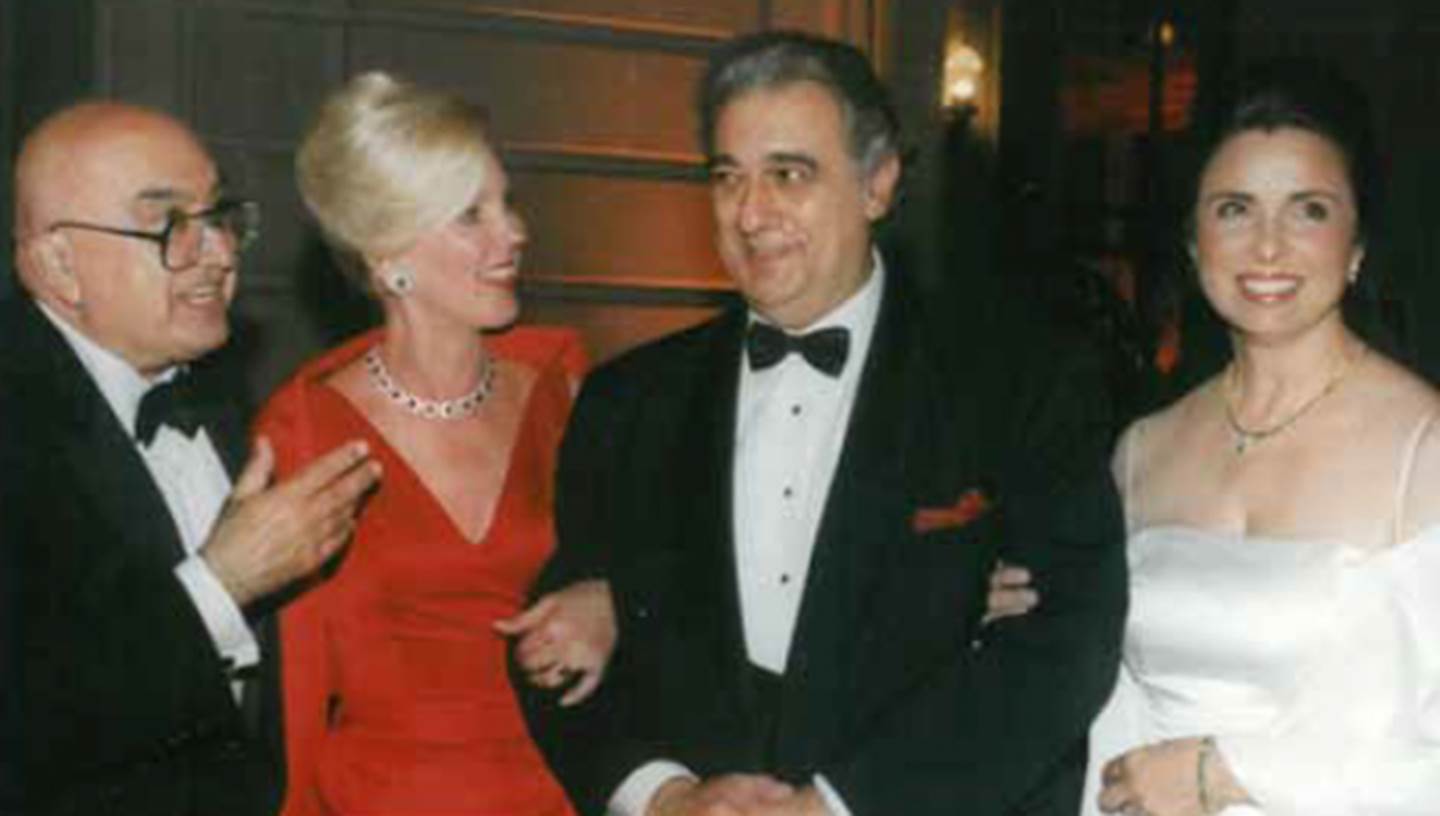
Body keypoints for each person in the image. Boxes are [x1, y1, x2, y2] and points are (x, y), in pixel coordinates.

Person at [521, 30, 1127, 816]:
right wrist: (663, 797)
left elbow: (1066, 642)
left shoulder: (1018, 383)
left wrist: (839, 806)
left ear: (878, 184)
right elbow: (554, 648)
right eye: (727, 177)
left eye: (789, 174)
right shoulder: (629, 402)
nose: (750, 212)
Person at [987, 60, 1440, 816]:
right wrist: (1026, 622)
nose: (1268, 246)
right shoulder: (1140, 449)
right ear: (1194, 245)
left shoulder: (1424, 448)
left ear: (1356, 245)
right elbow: (1101, 691)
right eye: (1234, 209)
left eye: (1309, 211)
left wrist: (1224, 774)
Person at [0, 102, 381, 815]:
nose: (220, 253)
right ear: (57, 263)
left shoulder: (220, 393)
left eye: (220, 216)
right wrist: (220, 583)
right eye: (169, 224)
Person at [256, 71, 608, 816]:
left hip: (564, 788)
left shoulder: (562, 383)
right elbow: (298, 697)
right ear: (387, 258)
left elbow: (641, 573)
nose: (513, 232)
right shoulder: (305, 429)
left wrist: (609, 600)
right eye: (470, 215)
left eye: (506, 202)